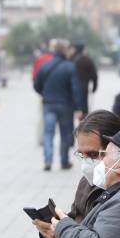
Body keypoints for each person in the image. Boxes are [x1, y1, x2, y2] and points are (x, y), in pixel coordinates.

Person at [34, 39, 83, 171]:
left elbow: (36, 85)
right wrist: (79, 107)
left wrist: (45, 94)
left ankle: (48, 160)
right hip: (65, 106)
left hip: (48, 104)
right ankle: (64, 161)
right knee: (65, 133)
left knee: (48, 132)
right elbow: (75, 89)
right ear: (64, 51)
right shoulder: (69, 67)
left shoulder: (45, 65)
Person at [68, 42, 98, 117]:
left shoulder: (70, 60)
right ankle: (83, 126)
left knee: (70, 110)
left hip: (70, 88)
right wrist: (94, 87)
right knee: (84, 110)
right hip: (84, 88)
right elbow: (94, 75)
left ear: (75, 49)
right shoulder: (87, 60)